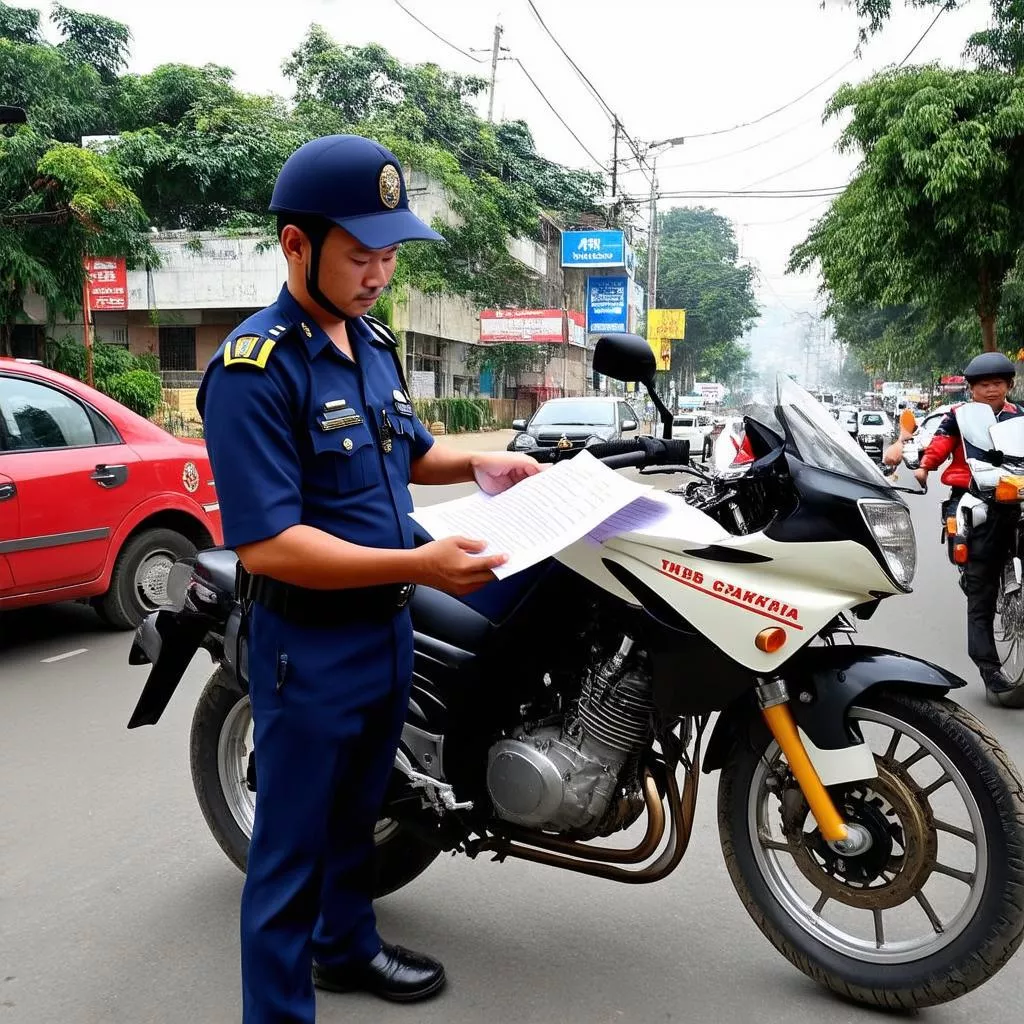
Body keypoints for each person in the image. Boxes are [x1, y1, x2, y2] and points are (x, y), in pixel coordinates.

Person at [197, 134, 541, 1024]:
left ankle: (345, 950)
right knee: (289, 854)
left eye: (389, 254)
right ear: (296, 246)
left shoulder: (373, 344)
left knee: (360, 815)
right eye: (361, 254)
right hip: (305, 646)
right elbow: (270, 544)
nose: (379, 272)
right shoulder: (252, 370)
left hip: (386, 632)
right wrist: (422, 564)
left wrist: (481, 469)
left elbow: (409, 452)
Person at [912, 352, 1024, 697]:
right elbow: (940, 444)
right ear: (972, 389)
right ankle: (990, 671)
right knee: (980, 588)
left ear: (1009, 385)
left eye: (998, 383)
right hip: (972, 495)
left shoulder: (1019, 417)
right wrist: (925, 467)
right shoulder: (957, 417)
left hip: (1016, 494)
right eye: (984, 385)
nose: (992, 390)